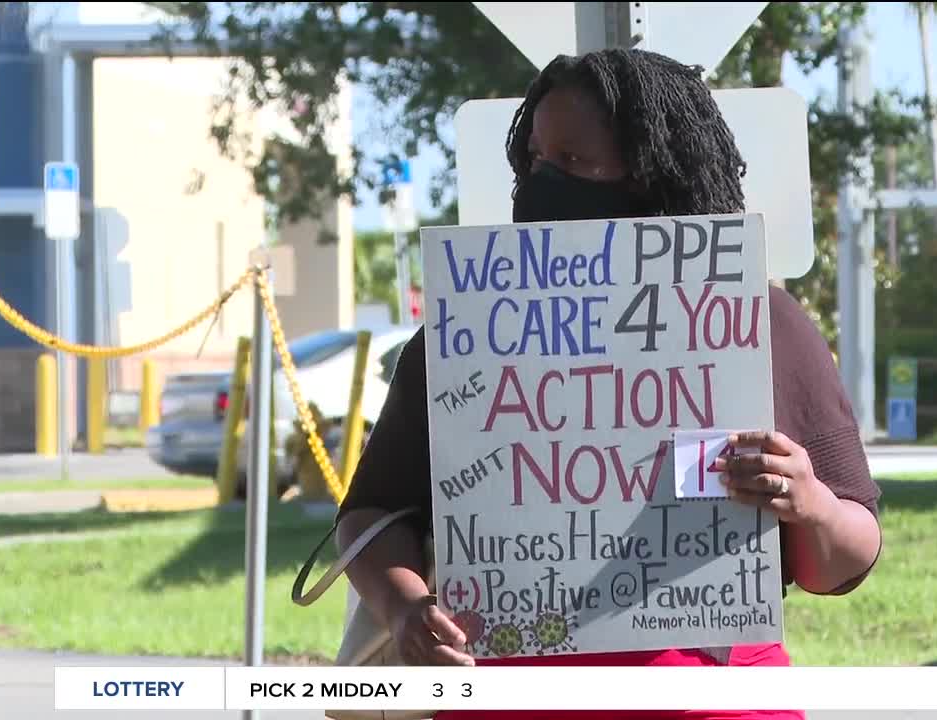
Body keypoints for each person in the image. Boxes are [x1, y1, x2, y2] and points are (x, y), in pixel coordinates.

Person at [335, 48, 884, 720]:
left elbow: (845, 561)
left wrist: (812, 504)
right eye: (534, 159)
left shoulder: (754, 320)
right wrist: (403, 606)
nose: (541, 181)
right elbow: (369, 517)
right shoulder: (466, 332)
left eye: (572, 163)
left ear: (652, 175)